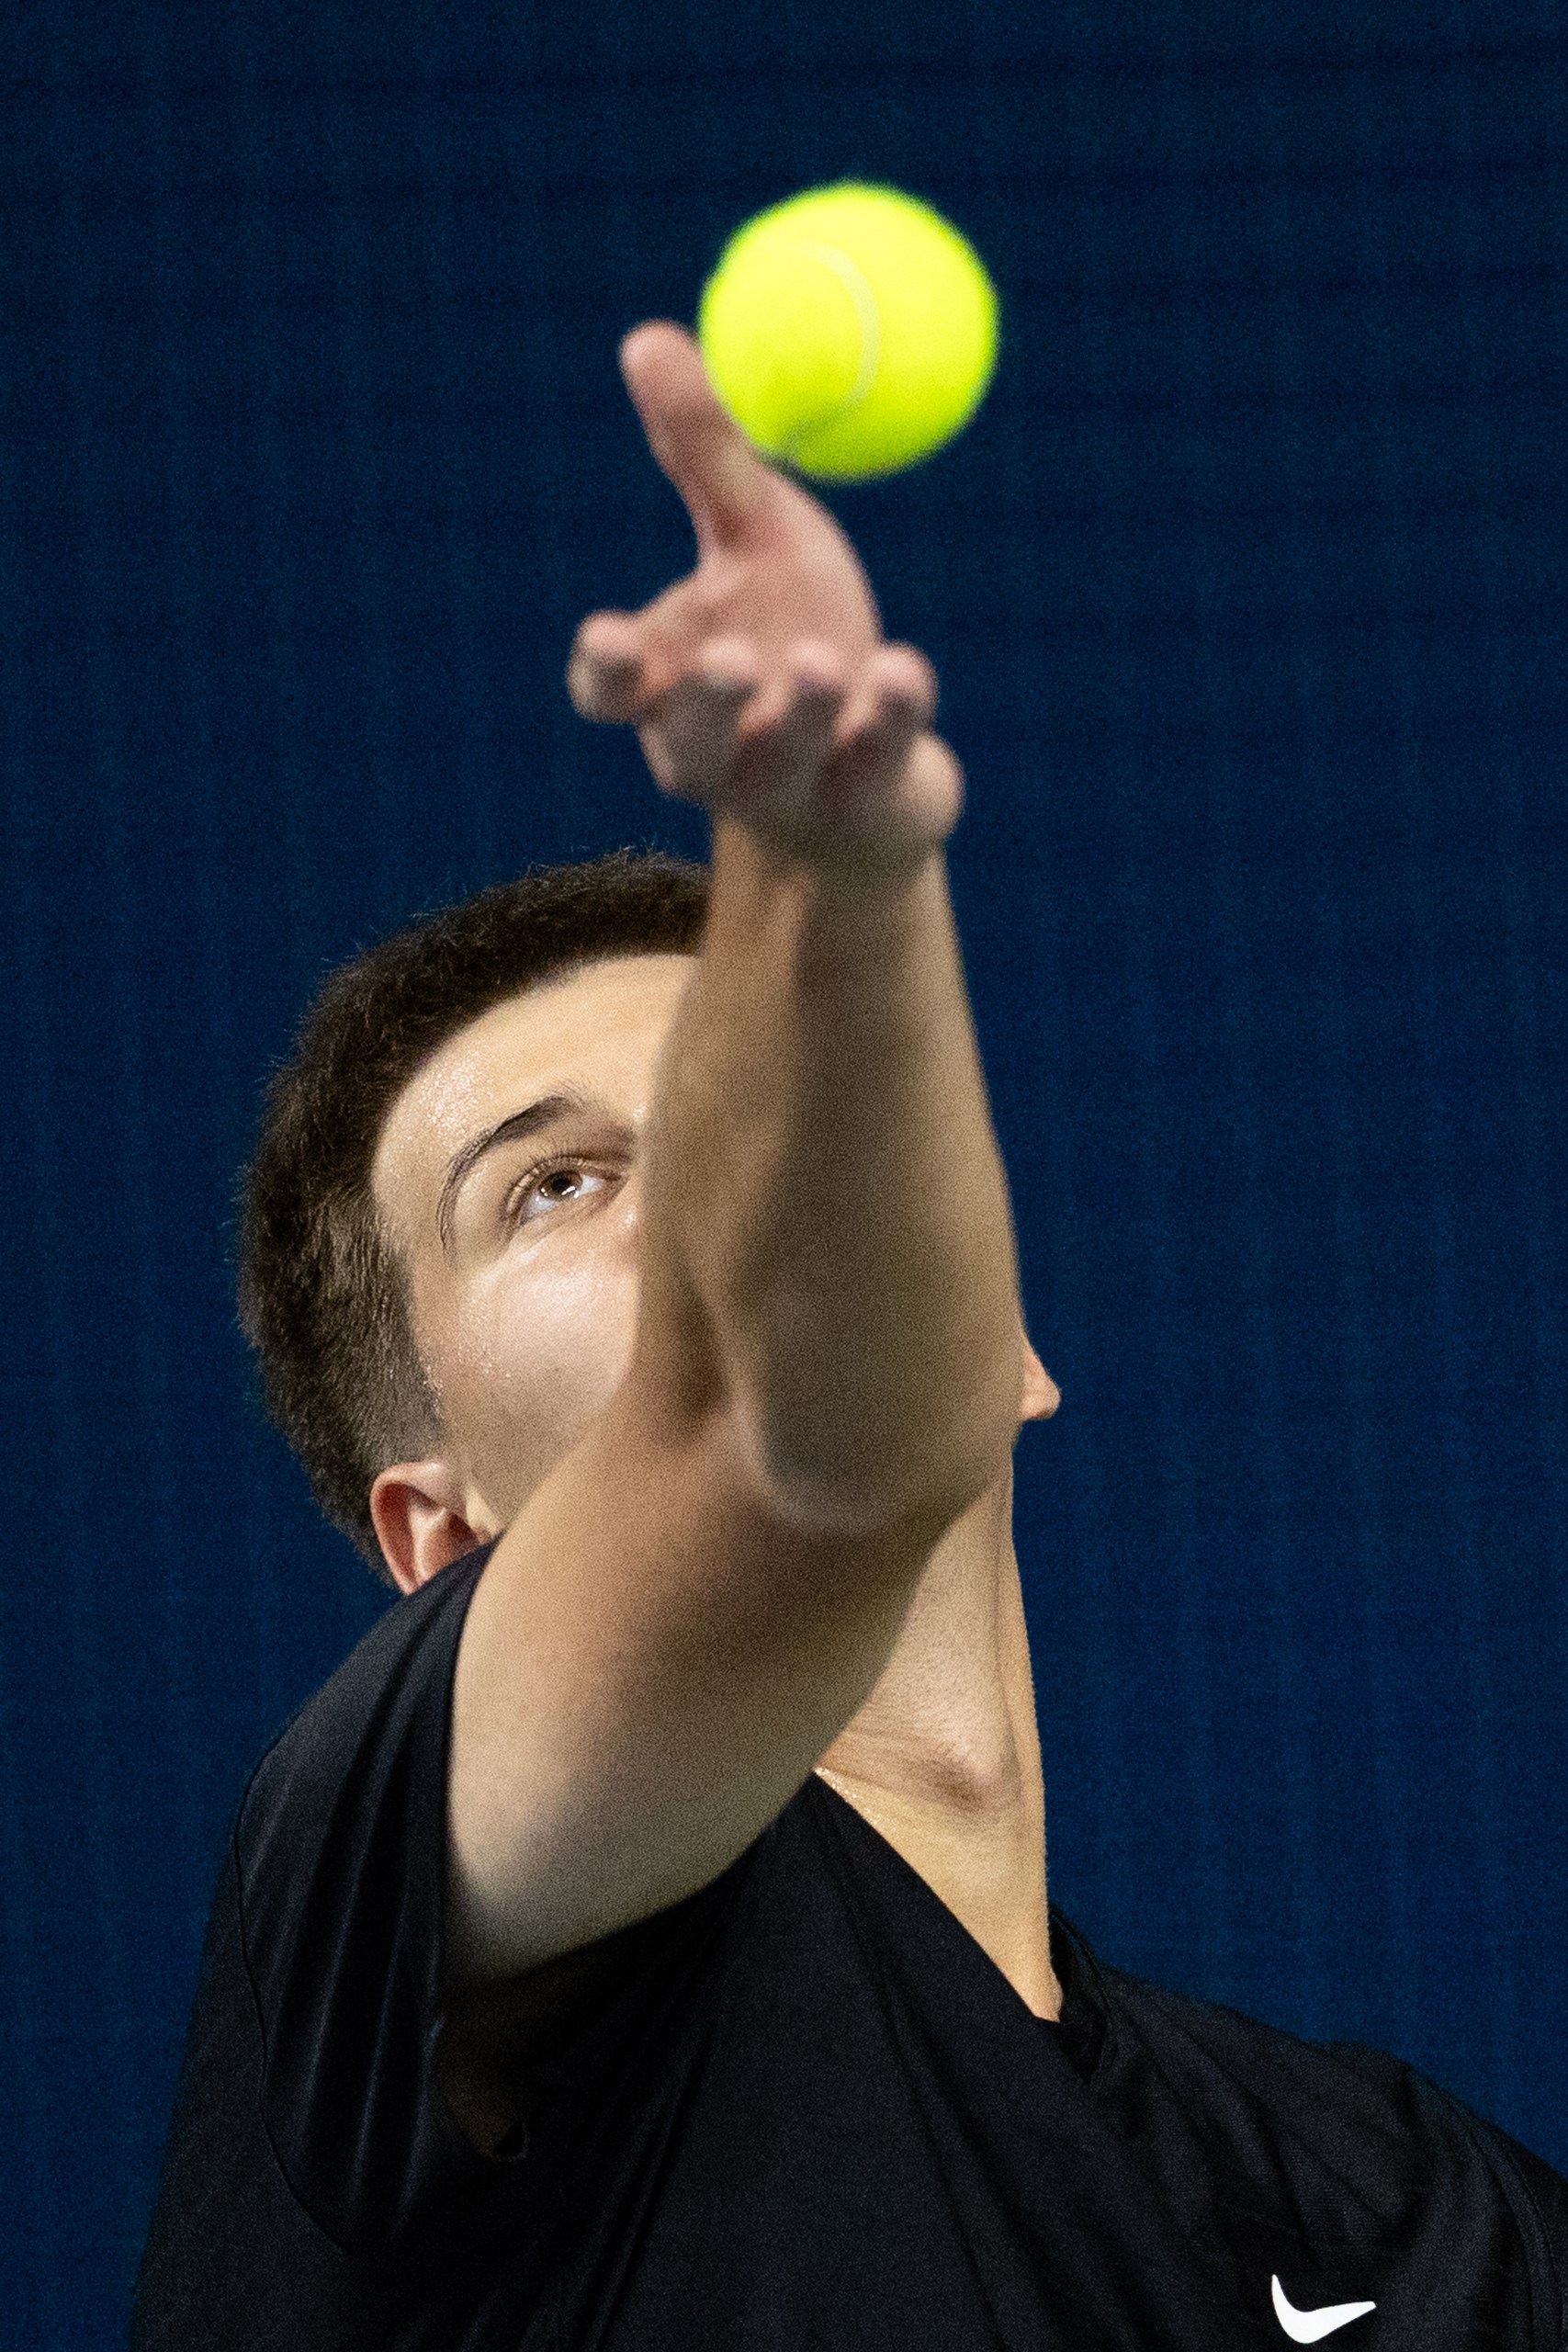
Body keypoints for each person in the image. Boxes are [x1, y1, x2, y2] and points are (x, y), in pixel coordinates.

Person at [133, 323, 1568, 2352]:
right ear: (439, 1539)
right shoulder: (376, 1914)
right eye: (555, 1183)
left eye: (750, 1119)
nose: (717, 1201)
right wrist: (833, 867)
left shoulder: (1409, 2210)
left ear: (1005, 1346)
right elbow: (790, 1437)